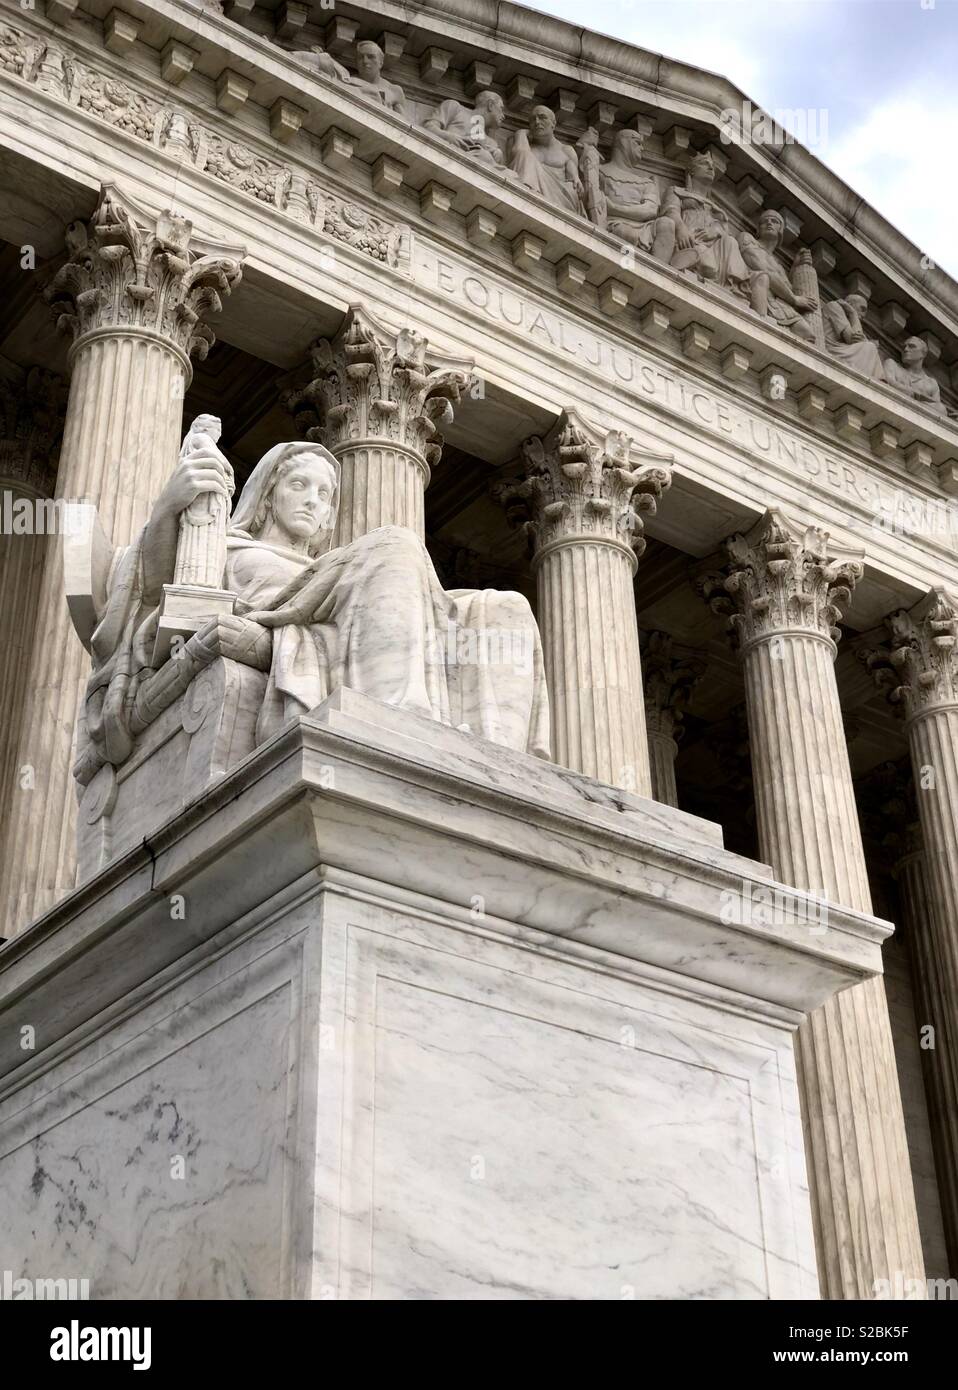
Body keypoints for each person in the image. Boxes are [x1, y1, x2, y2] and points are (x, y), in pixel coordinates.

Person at [80, 441, 551, 768]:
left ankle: (497, 768)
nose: (312, 501)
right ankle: (399, 724)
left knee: (502, 608)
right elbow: (150, 605)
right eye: (299, 486)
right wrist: (168, 508)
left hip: (330, 625)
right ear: (267, 494)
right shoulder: (222, 546)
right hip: (289, 620)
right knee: (395, 543)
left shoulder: (335, 568)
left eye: (324, 495)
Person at [508, 106, 585, 216]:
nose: (537, 122)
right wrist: (521, 133)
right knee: (526, 156)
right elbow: (520, 154)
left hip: (562, 200)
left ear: (553, 123)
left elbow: (574, 182)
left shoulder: (566, 150)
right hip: (530, 193)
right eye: (532, 120)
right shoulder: (527, 146)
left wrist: (576, 177)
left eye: (542, 117)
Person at [822, 294, 885, 380]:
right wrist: (853, 314)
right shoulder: (834, 306)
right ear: (849, 304)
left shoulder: (849, 320)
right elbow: (852, 339)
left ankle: (879, 381)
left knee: (871, 347)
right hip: (833, 349)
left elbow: (858, 338)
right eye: (862, 309)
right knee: (870, 347)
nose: (864, 315)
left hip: (843, 349)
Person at [883, 336, 948, 416]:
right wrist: (915, 393)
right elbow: (889, 382)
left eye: (912, 346)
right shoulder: (892, 364)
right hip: (893, 407)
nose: (905, 349)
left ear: (923, 353)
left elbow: (938, 408)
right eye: (904, 347)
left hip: (919, 416)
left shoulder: (931, 383)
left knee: (941, 409)